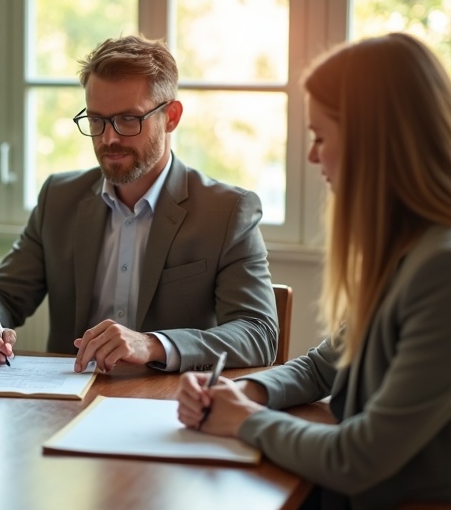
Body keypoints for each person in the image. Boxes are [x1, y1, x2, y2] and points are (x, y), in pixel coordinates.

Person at [177, 32, 451, 510]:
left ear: (373, 141)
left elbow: (357, 457)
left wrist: (244, 420)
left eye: (320, 136)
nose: (311, 156)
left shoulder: (440, 270)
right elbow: (323, 366)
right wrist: (243, 391)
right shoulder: (402, 250)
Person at [0, 35, 278, 374]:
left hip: (167, 399)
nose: (109, 138)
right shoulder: (59, 198)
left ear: (171, 116)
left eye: (128, 120)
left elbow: (258, 333)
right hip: (67, 397)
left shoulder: (227, 212)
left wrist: (152, 344)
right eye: (96, 120)